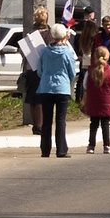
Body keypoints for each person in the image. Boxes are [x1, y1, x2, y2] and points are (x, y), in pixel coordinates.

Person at [30, 25, 77, 158]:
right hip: (62, 88)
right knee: (61, 120)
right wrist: (65, 79)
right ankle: (61, 149)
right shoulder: (67, 52)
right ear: (64, 36)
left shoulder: (44, 51)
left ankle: (45, 150)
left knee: (46, 120)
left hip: (46, 87)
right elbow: (72, 72)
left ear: (51, 35)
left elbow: (40, 71)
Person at [80, 44, 110, 153]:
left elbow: (85, 85)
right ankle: (107, 146)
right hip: (107, 101)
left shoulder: (90, 70)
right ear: (107, 57)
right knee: (105, 124)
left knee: (94, 124)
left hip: (93, 100)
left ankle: (91, 146)